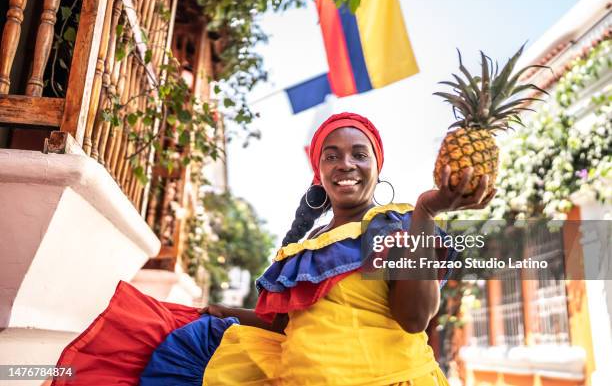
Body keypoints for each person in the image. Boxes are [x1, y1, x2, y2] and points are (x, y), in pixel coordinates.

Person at [52, 112, 495, 386]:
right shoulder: (303, 249)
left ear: (378, 167)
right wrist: (226, 312)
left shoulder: (397, 224)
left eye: (360, 154)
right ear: (318, 172)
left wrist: (424, 212)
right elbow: (285, 324)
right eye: (332, 155)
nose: (346, 164)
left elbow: (414, 318)